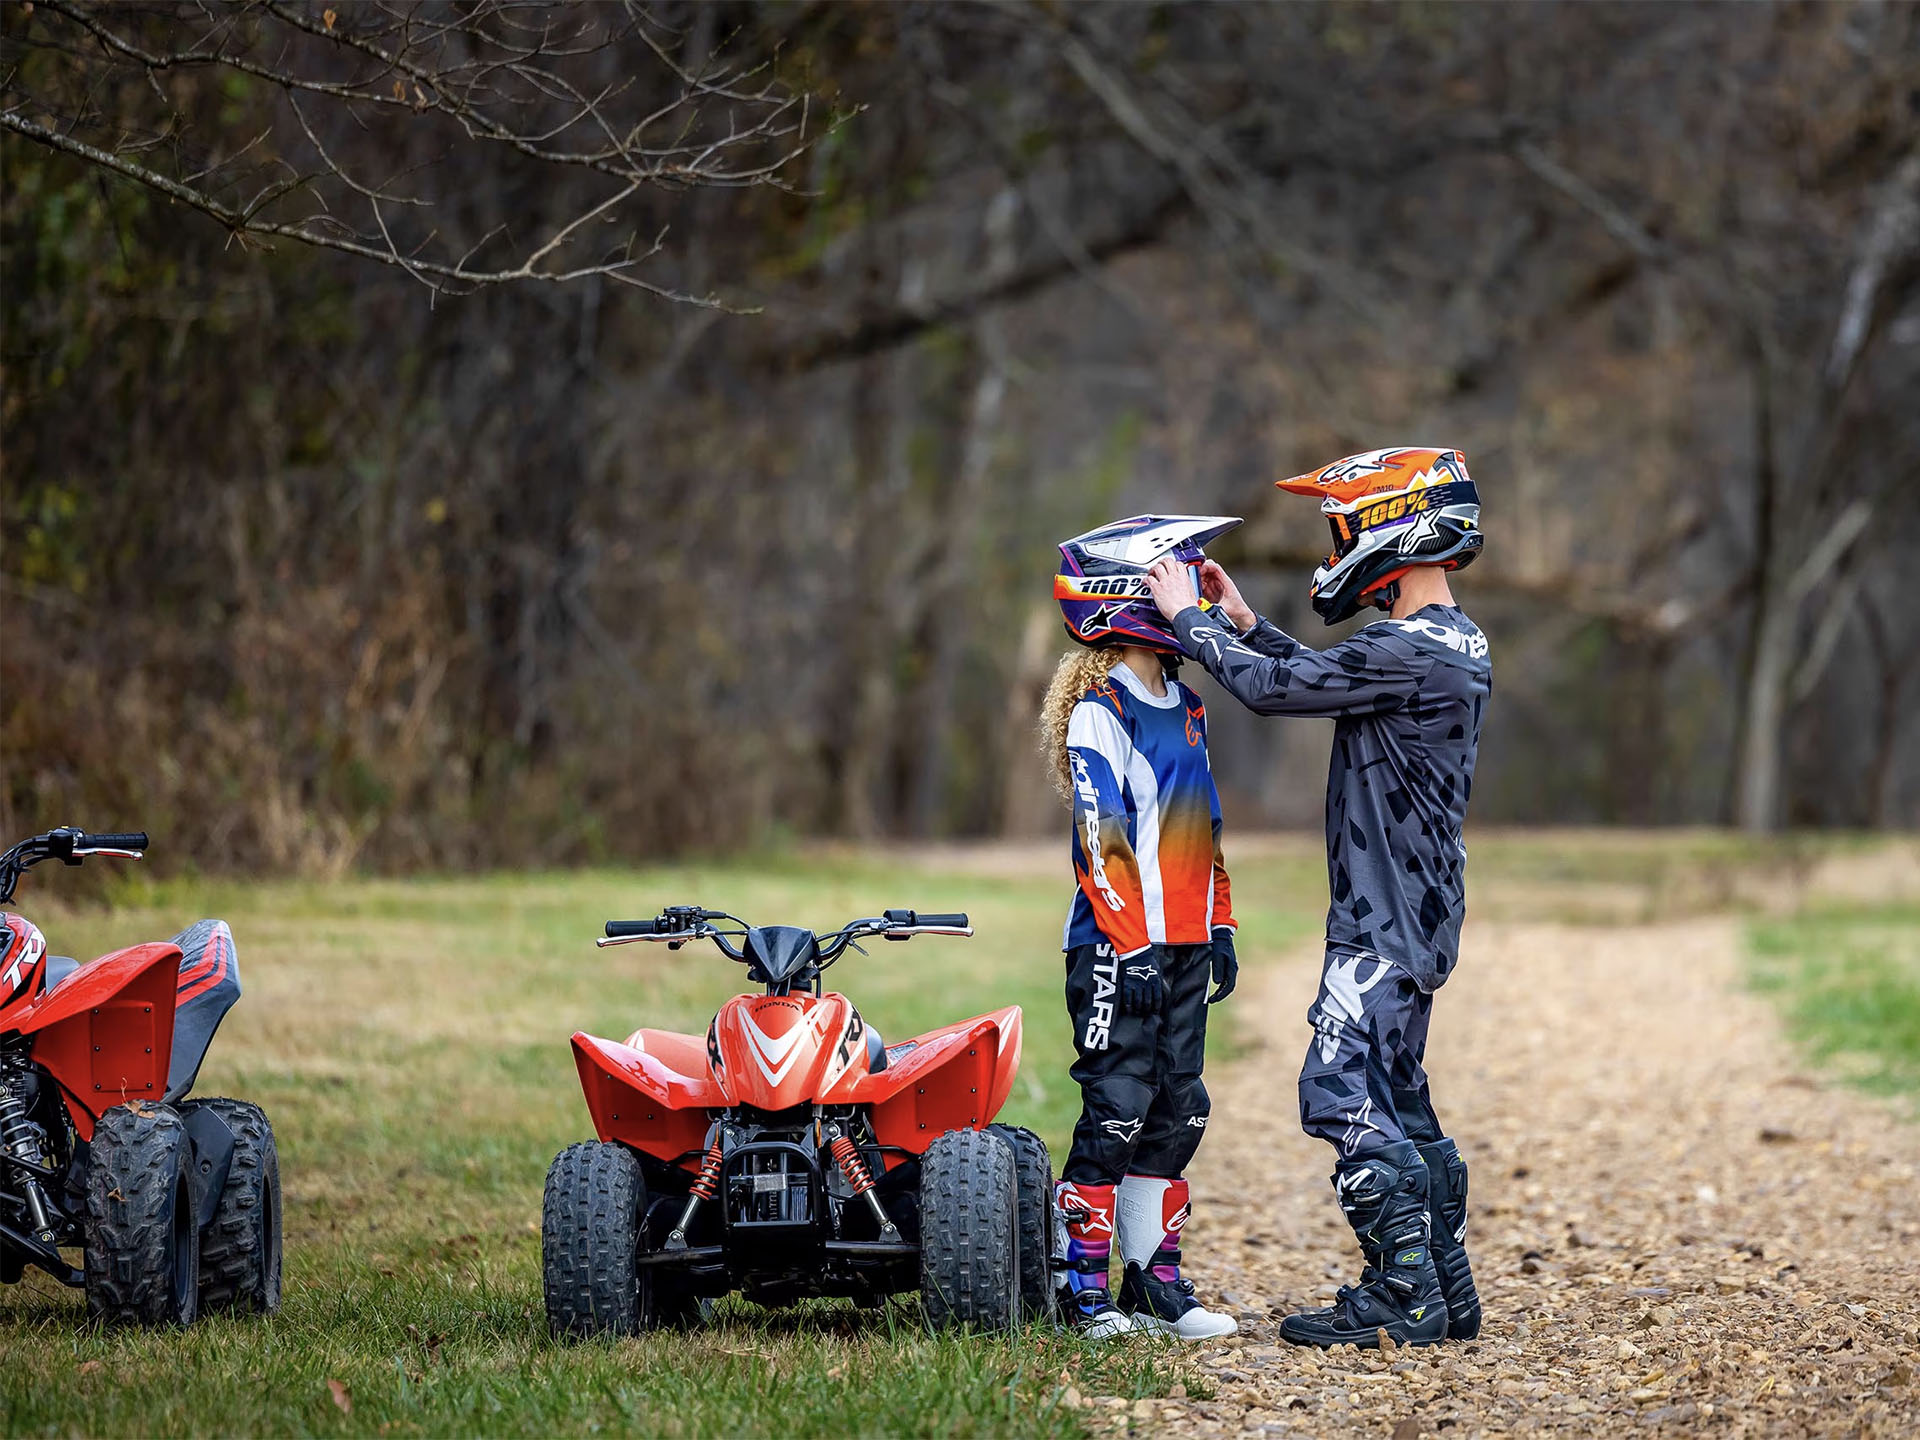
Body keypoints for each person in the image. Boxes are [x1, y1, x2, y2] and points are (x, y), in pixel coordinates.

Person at [1140, 448, 1490, 1349]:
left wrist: (1185, 617)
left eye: (1345, 529)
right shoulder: (1448, 643)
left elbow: (1272, 693)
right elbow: (1325, 679)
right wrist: (1245, 621)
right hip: (1416, 910)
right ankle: (1446, 1291)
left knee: (1335, 1089)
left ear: (1394, 530)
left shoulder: (1405, 650)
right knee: (1398, 1094)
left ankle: (1403, 1293)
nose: (1337, 548)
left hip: (1382, 915)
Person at [1042, 514, 1244, 1341]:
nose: (1190, 587)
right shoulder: (1102, 709)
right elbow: (1102, 839)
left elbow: (1207, 826)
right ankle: (1078, 1286)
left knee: (1177, 1109)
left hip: (1187, 943)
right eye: (1175, 576)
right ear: (1130, 597)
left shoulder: (1188, 707)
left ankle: (1153, 1284)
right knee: (1118, 1106)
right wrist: (1131, 947)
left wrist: (1219, 924)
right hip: (1116, 948)